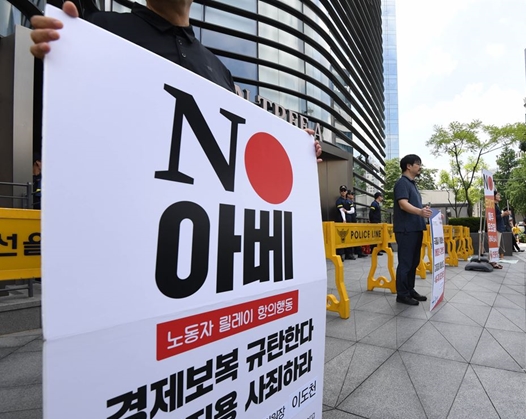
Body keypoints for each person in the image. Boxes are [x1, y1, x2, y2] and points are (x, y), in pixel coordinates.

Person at [29, 1, 323, 157]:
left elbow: (237, 145)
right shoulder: (102, 29)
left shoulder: (218, 67)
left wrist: (294, 147)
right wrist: (56, 53)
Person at [393, 154, 431, 305]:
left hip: (415, 228)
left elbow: (412, 206)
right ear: (408, 166)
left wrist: (423, 210)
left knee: (414, 262)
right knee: (406, 262)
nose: (420, 167)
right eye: (418, 164)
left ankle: (410, 290)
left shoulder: (412, 184)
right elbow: (403, 204)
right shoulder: (402, 183)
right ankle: (402, 294)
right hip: (406, 229)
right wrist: (420, 212)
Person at [335, 185, 355, 260]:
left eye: (344, 190)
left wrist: (347, 211)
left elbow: (352, 211)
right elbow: (341, 211)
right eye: (342, 190)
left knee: (349, 238)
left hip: (349, 222)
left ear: (346, 191)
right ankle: (340, 255)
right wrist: (344, 220)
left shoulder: (349, 201)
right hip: (341, 222)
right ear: (340, 192)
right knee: (341, 239)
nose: (343, 192)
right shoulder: (339, 201)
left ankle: (348, 254)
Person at [346, 191, 367, 258]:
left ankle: (358, 252)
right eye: (351, 194)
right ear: (348, 195)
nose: (353, 195)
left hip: (353, 221)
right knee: (350, 238)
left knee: (355, 237)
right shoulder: (347, 202)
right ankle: (350, 253)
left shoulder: (351, 202)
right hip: (349, 222)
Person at [493, 191, 510, 264]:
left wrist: (504, 214)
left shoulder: (496, 205)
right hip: (496, 227)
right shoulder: (493, 206)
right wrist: (503, 214)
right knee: (496, 245)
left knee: (497, 244)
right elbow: (494, 217)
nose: (499, 196)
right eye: (498, 195)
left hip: (498, 227)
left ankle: (494, 260)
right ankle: (493, 260)